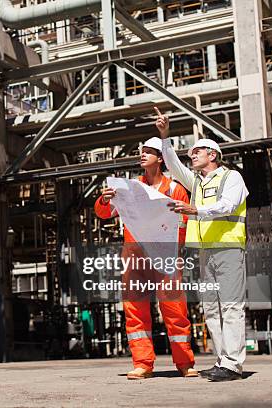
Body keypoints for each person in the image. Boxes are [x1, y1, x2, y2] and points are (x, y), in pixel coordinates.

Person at [155, 106, 248, 382]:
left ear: (213, 154)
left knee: (231, 306)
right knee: (210, 307)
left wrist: (196, 211)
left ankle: (233, 364)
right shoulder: (195, 182)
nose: (192, 155)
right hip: (206, 253)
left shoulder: (232, 177)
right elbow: (172, 164)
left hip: (230, 250)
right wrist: (165, 136)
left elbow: (228, 205)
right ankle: (223, 360)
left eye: (197, 151)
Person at [95, 137, 197, 380]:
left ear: (161, 158)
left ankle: (185, 363)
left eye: (149, 152)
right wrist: (105, 199)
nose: (142, 155)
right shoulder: (128, 188)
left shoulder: (175, 189)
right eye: (142, 151)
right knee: (135, 309)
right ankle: (143, 364)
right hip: (135, 256)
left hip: (166, 255)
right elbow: (104, 213)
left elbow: (184, 222)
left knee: (175, 309)